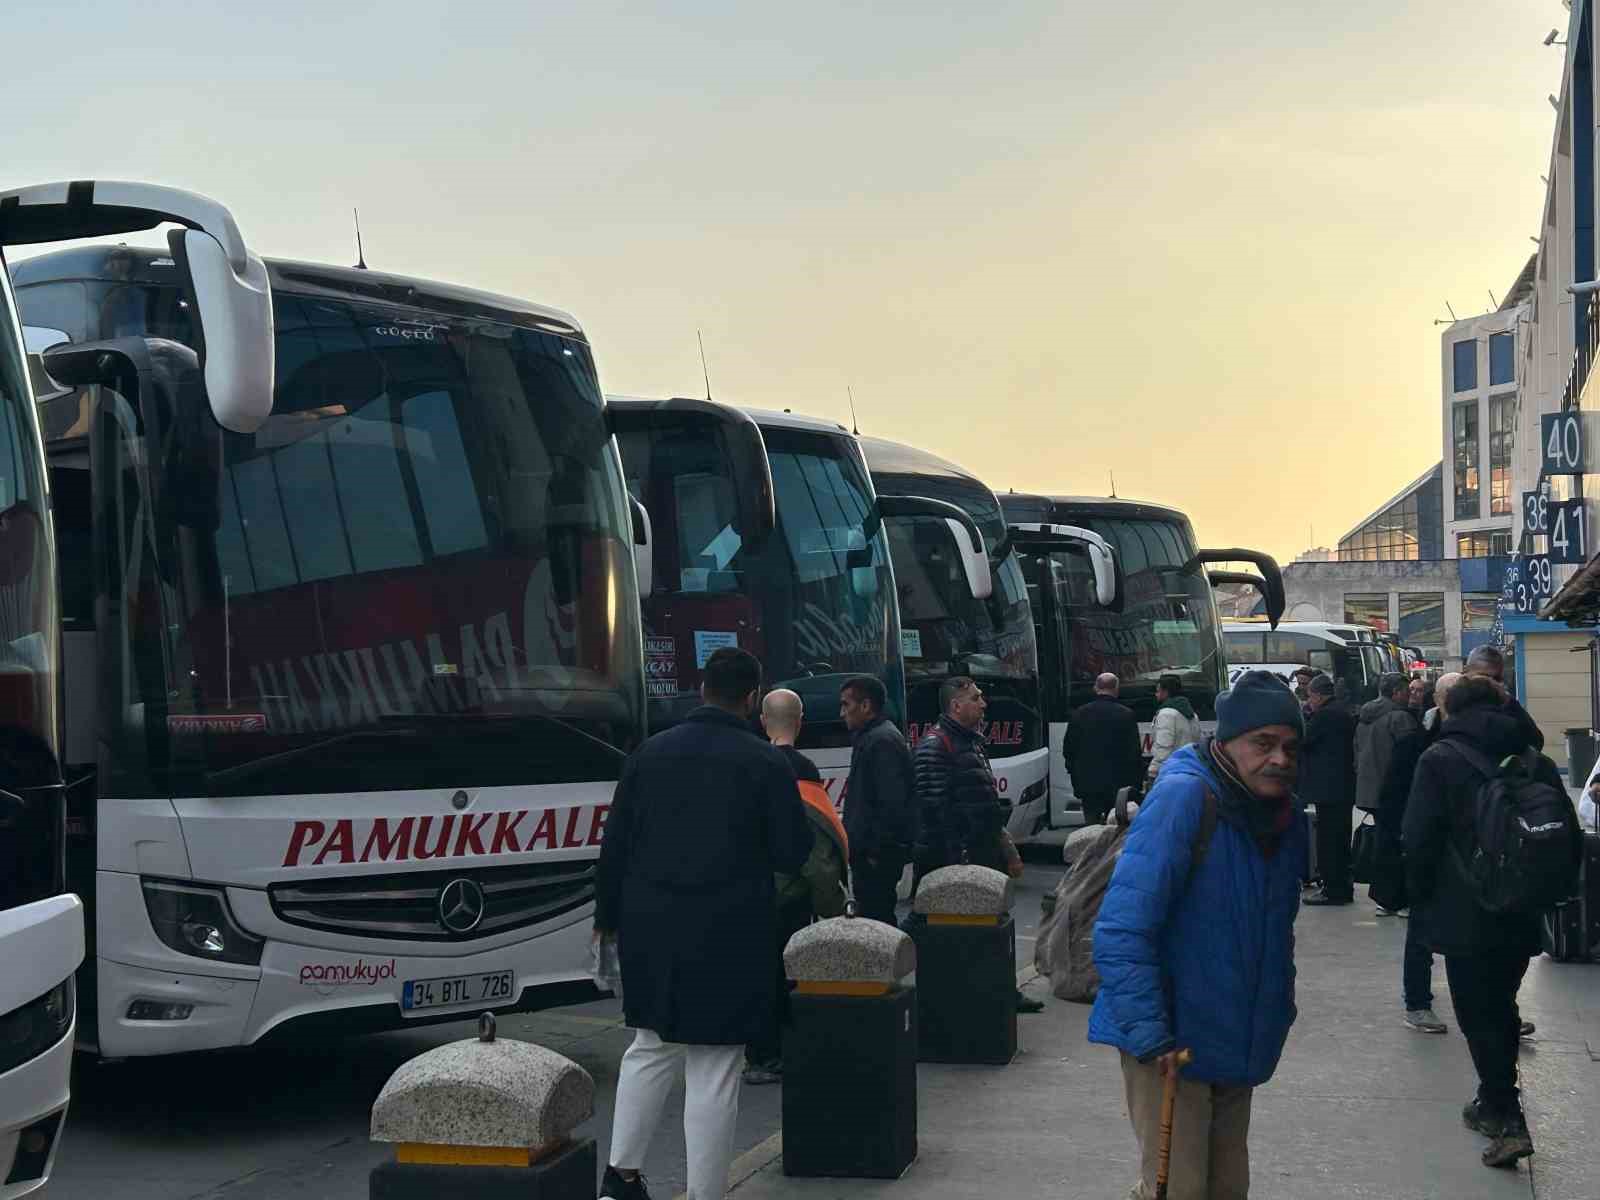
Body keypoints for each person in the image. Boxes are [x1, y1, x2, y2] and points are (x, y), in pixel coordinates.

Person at [596, 648, 812, 1200]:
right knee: (715, 1064)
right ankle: (705, 1192)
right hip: (730, 929)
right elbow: (792, 852)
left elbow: (615, 845)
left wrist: (607, 922)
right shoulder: (765, 762)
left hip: (652, 927)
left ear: (701, 689)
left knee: (650, 1045)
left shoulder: (649, 754)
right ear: (751, 699)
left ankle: (620, 1177)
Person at [1090, 671, 1306, 1198]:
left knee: (1227, 1189)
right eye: (1263, 743)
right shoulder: (1187, 798)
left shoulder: (1283, 817)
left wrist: (1274, 1015)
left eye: (1289, 746)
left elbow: (1277, 933)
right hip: (1169, 1045)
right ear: (1227, 742)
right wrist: (1150, 1035)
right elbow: (1121, 928)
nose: (1279, 758)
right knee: (1177, 1190)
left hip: (1235, 1040)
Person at [1403, 672, 1571, 1170]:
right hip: (1523, 903)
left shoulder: (1440, 759)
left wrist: (1418, 895)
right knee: (1500, 1003)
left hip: (1465, 906)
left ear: (1450, 711)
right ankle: (1490, 1100)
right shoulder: (1532, 757)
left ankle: (1506, 1115)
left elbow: (1419, 836)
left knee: (1481, 1014)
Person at [914, 676, 1043, 1014]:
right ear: (956, 705)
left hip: (982, 855)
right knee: (958, 936)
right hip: (961, 861)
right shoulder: (936, 746)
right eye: (976, 698)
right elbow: (934, 810)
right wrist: (959, 860)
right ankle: (971, 998)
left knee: (994, 929)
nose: (984, 704)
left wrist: (1005, 849)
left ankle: (1001, 992)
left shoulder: (970, 742)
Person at [744, 688, 849, 1085]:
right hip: (788, 895)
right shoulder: (802, 772)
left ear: (762, 721)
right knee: (784, 975)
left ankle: (757, 1052)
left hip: (746, 890)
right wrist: (835, 907)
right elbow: (816, 854)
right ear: (801, 721)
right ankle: (772, 1055)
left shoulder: (750, 764)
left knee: (756, 974)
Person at [1378, 671, 1458, 1029]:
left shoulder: (1492, 738)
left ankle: (1494, 1006)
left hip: (1468, 853)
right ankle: (1418, 1002)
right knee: (1422, 932)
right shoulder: (1416, 743)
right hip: (1426, 852)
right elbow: (1392, 800)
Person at [838, 675, 917, 925]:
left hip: (876, 859)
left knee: (877, 920)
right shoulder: (873, 737)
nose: (842, 713)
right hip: (871, 855)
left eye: (846, 705)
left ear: (865, 706)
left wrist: (874, 853)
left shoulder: (881, 741)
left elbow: (890, 805)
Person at [1300, 672, 1358, 906]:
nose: (1309, 701)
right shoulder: (1343, 712)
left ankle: (1332, 889)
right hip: (1343, 786)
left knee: (1329, 840)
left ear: (1320, 695)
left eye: (1311, 696)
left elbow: (1304, 742)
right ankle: (1344, 886)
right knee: (1341, 839)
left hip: (1328, 788)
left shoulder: (1324, 716)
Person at [1063, 673, 1143, 825]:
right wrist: (1135, 784)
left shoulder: (1079, 714)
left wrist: (1075, 775)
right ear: (1116, 689)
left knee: (1091, 828)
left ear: (1096, 688)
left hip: (1087, 784)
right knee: (1115, 827)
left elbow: (1068, 750)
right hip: (1118, 785)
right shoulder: (1127, 715)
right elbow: (1134, 754)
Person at [1355, 673, 1416, 816]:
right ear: (1396, 692)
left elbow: (1356, 749)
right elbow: (1409, 755)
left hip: (1367, 791)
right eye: (1407, 691)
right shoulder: (1400, 717)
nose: (1410, 695)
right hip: (1393, 791)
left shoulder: (1364, 716)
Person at [1463, 644, 1544, 751]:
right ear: (1467, 672)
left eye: (1495, 679)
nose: (1490, 683)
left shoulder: (1506, 704)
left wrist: (1508, 701)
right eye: (1484, 677)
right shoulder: (1453, 700)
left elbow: (1535, 742)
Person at [1147, 673, 1202, 783]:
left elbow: (1164, 746)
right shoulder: (1192, 713)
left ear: (1166, 692)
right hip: (1190, 769)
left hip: (1170, 773)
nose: (1155, 694)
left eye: (1158, 691)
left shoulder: (1166, 714)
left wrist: (1153, 770)